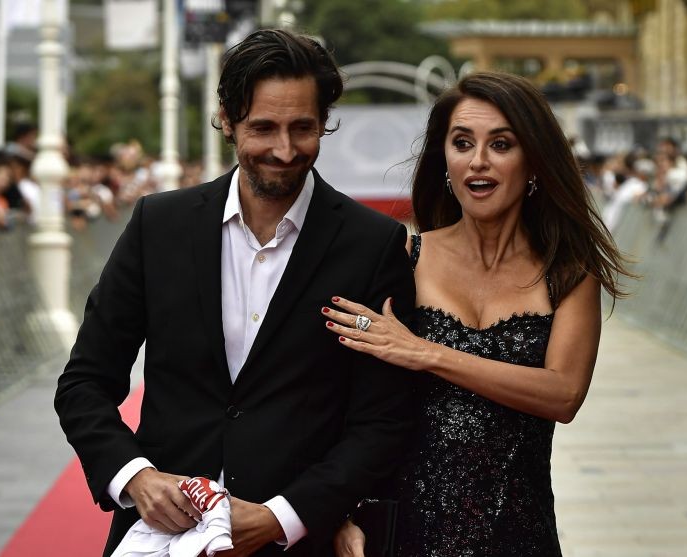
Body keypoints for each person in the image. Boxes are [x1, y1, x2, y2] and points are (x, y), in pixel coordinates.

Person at [55, 29, 416, 557]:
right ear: (227, 119)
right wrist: (135, 477)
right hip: (160, 535)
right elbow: (85, 381)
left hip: (299, 541)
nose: (284, 150)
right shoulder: (159, 225)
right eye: (263, 127)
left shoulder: (373, 244)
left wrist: (281, 517)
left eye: (303, 128)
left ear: (324, 122)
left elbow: (383, 419)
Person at [327, 71, 632, 557]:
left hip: (520, 536)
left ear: (534, 161)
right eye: (463, 143)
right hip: (405, 535)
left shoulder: (570, 273)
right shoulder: (403, 258)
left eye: (501, 144)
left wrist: (426, 353)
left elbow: (564, 394)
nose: (478, 161)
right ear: (445, 160)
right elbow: (340, 403)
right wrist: (338, 512)